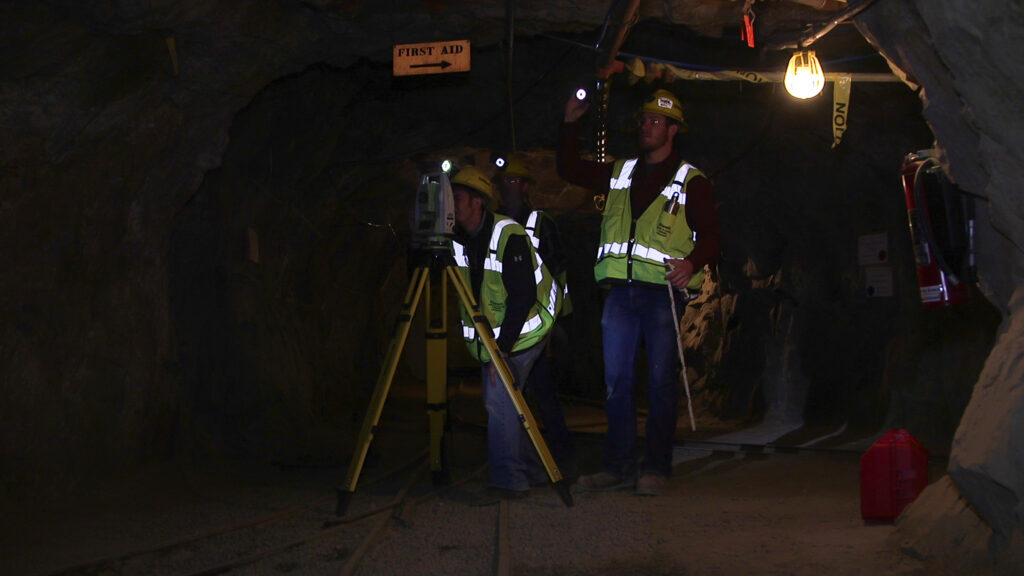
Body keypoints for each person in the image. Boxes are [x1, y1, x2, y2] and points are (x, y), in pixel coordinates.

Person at [557, 88, 721, 496]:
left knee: (661, 382)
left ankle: (656, 468)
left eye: (655, 121)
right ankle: (618, 466)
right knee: (617, 383)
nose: (646, 127)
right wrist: (569, 123)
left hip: (660, 296)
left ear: (672, 129)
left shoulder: (691, 181)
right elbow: (570, 169)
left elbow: (713, 237)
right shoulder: (620, 172)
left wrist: (691, 264)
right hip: (620, 295)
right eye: (644, 120)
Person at [448, 164, 562, 499]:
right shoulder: (459, 237)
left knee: (499, 400)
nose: (450, 205)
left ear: (477, 203)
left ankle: (508, 481)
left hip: (526, 330)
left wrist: (501, 353)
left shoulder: (508, 235)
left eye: (456, 198)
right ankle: (533, 470)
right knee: (508, 403)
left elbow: (522, 298)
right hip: (500, 335)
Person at [495, 155, 577, 480]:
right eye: (507, 181)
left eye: (516, 181)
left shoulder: (540, 223)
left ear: (527, 186)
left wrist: (553, 322)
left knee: (541, 391)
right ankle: (527, 461)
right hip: (509, 319)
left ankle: (560, 460)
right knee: (515, 394)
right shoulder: (495, 222)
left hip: (538, 321)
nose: (511, 186)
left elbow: (557, 270)